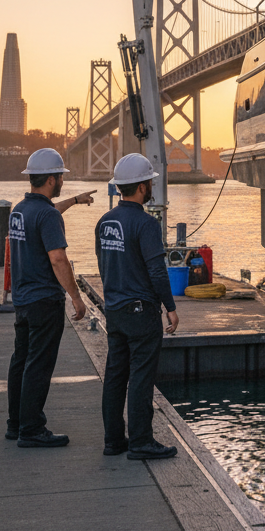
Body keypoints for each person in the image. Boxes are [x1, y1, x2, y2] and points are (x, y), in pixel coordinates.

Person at [95, 153, 179, 460]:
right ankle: (142, 440)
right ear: (142, 187)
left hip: (115, 310)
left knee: (115, 376)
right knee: (142, 376)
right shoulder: (146, 224)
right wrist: (170, 306)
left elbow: (104, 264)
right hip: (141, 312)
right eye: (150, 182)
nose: (151, 186)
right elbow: (157, 271)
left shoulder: (105, 222)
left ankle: (113, 440)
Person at [7, 148, 93, 447]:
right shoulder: (45, 215)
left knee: (21, 360)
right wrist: (77, 297)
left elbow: (48, 213)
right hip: (44, 300)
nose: (62, 182)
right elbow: (58, 259)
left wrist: (76, 201)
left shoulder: (20, 210)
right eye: (60, 178)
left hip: (22, 300)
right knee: (39, 365)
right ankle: (32, 430)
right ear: (53, 179)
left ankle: (16, 423)